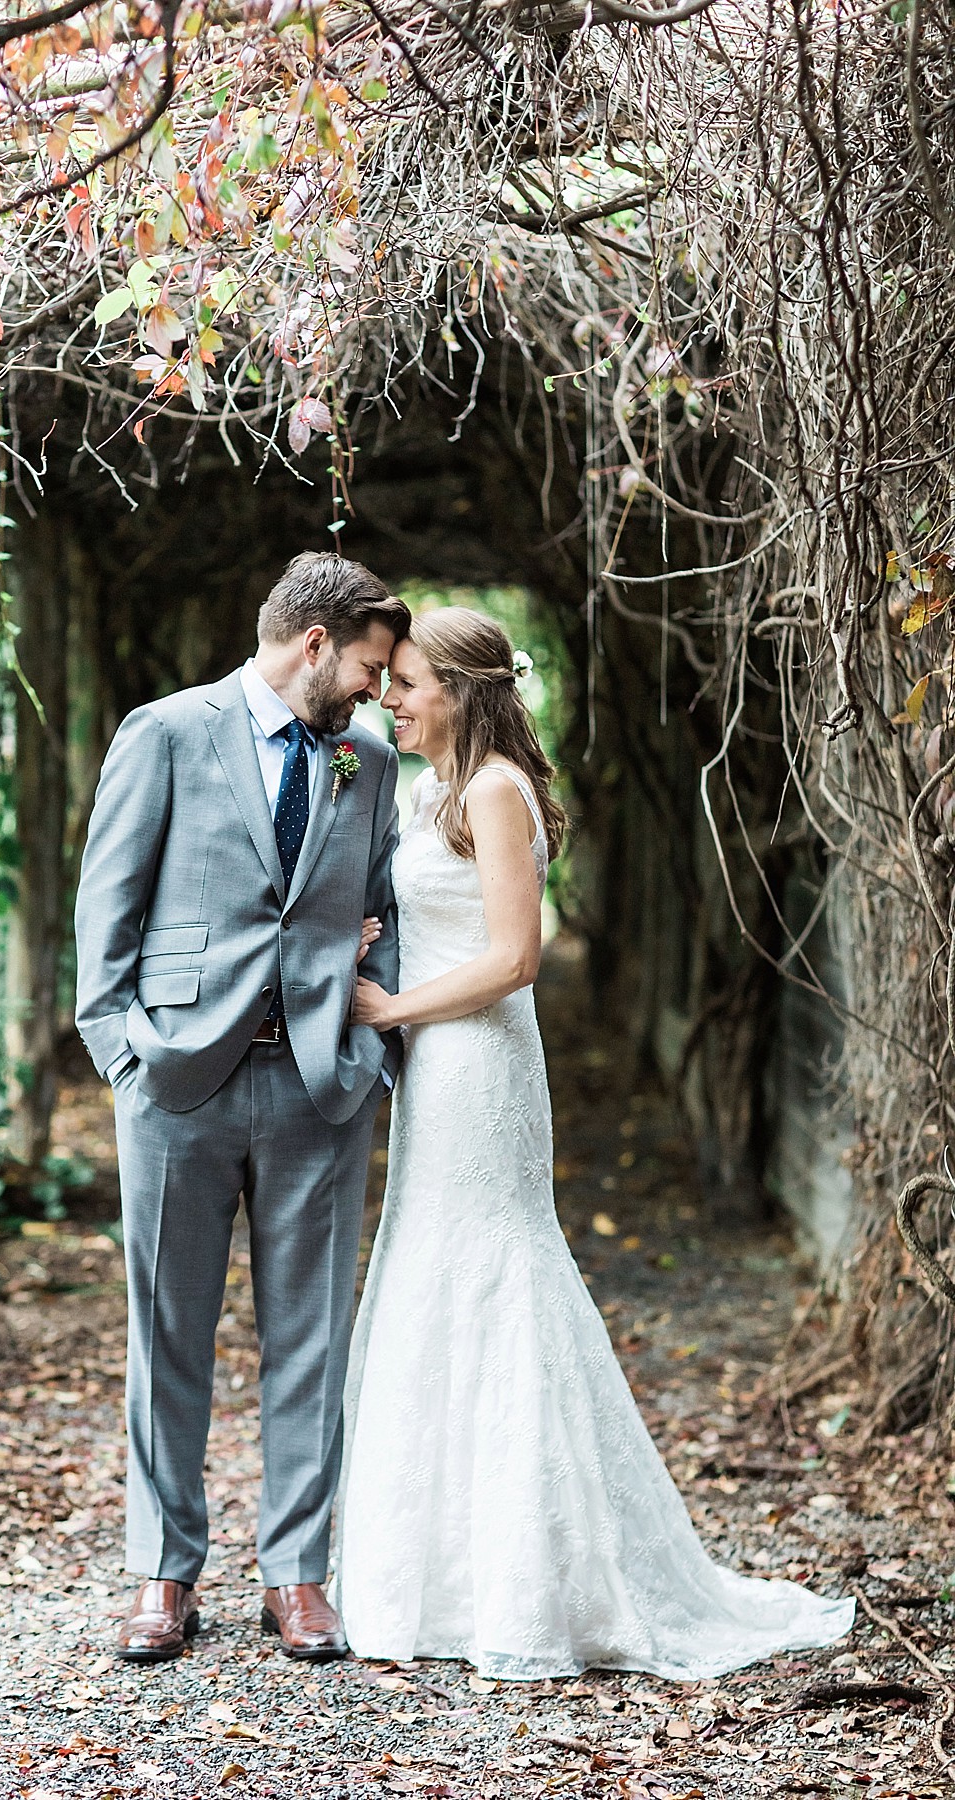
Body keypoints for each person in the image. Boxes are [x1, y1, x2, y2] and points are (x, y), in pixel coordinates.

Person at [338, 606, 854, 1680]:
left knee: (494, 1271)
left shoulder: (493, 791)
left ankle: (532, 1584)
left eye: (409, 683)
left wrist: (388, 1010)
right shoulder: (428, 789)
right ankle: (443, 1575)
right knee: (430, 1269)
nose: (390, 697)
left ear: (465, 693)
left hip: (478, 1060)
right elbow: (435, 911)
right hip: (437, 1066)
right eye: (388, 681)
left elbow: (519, 957)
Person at [74, 552, 410, 1663]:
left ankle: (298, 1575)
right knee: (166, 1333)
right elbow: (105, 915)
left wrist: (368, 1049)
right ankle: (164, 1574)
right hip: (178, 1086)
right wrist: (128, 1058)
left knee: (308, 1338)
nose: (374, 689)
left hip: (319, 1089)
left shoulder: (368, 758)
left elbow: (383, 908)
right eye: (365, 667)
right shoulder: (166, 732)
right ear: (313, 643)